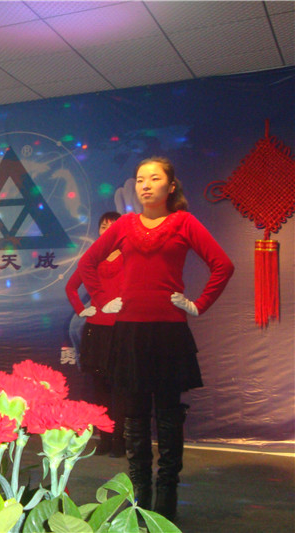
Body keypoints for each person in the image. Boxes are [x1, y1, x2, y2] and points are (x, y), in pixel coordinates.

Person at [78, 157, 234, 521]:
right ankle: (139, 502)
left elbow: (223, 265)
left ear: (171, 186)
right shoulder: (124, 225)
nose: (145, 185)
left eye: (154, 178)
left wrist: (198, 304)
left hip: (168, 332)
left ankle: (166, 503)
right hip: (130, 331)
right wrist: (102, 300)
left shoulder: (184, 222)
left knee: (168, 417)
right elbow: (87, 264)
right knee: (133, 419)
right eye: (139, 179)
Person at [65, 211, 126, 457]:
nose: (107, 229)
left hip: (122, 329)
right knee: (100, 389)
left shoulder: (132, 256)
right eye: (103, 226)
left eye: (113, 225)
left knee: (121, 388)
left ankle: (120, 439)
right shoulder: (91, 257)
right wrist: (82, 310)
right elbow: (70, 287)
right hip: (97, 329)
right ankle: (105, 438)